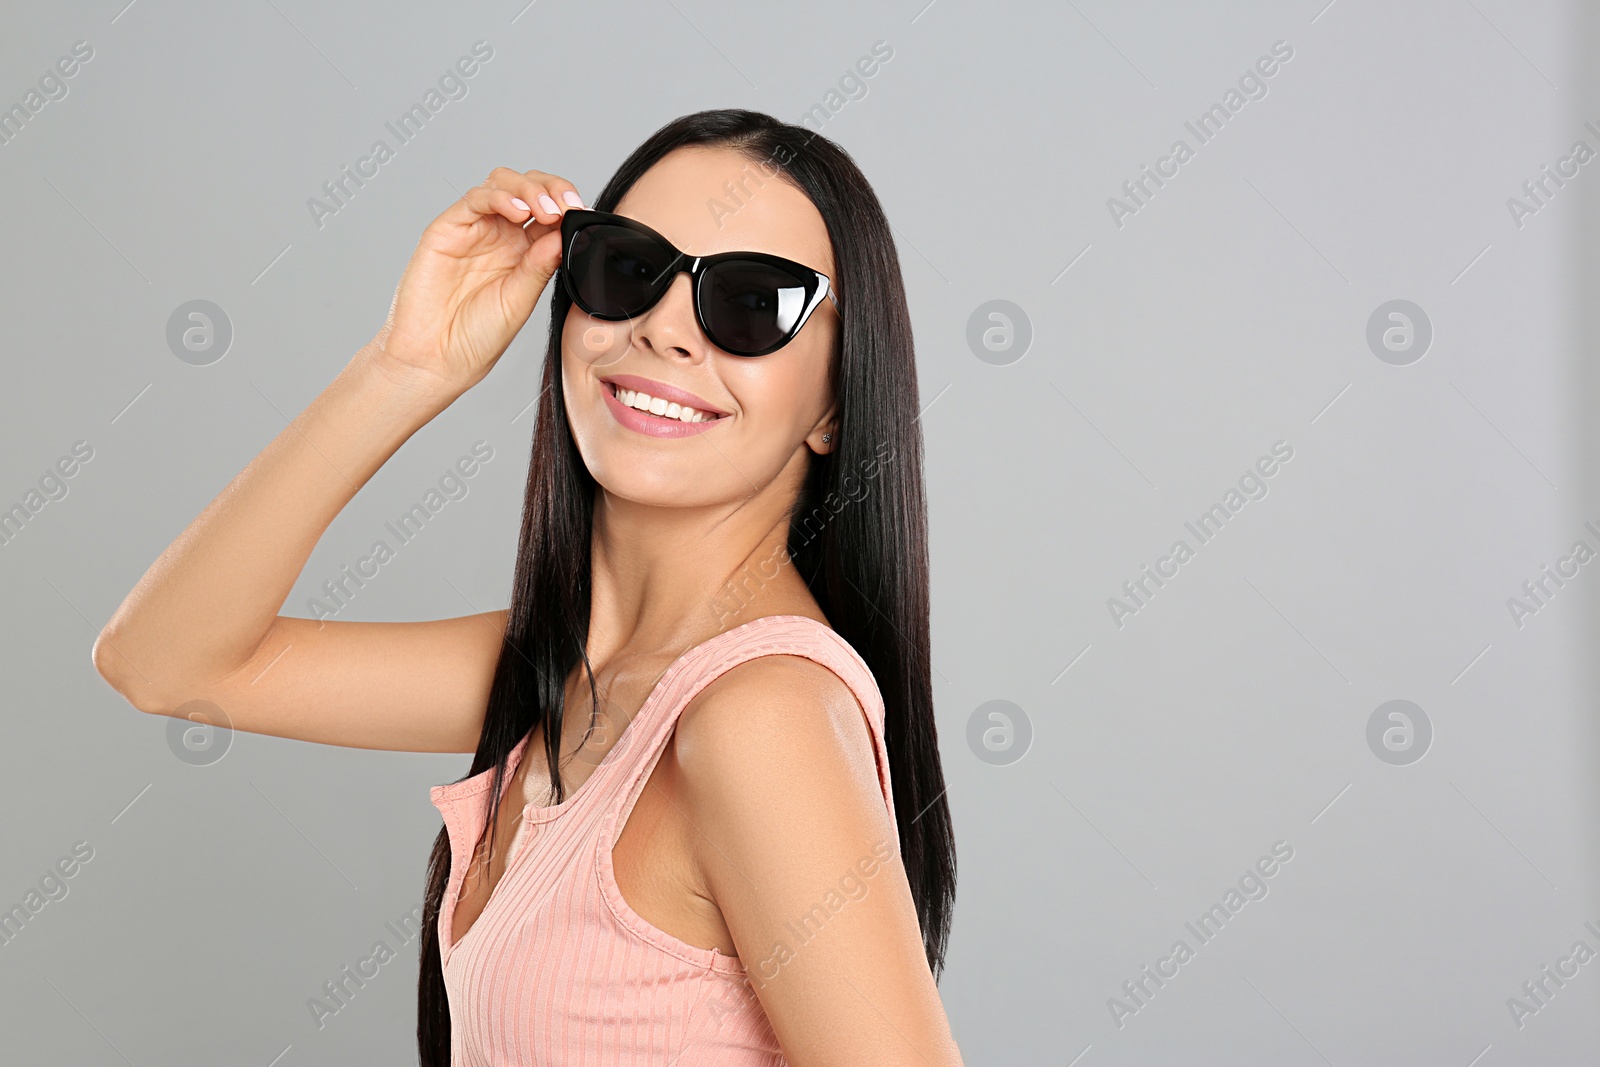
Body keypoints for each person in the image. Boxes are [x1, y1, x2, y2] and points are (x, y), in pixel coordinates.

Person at [93, 108, 961, 1066]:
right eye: (627, 269)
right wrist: (404, 368)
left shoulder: (761, 714)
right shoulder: (562, 670)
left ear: (835, 401)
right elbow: (163, 662)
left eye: (754, 302)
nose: (665, 330)